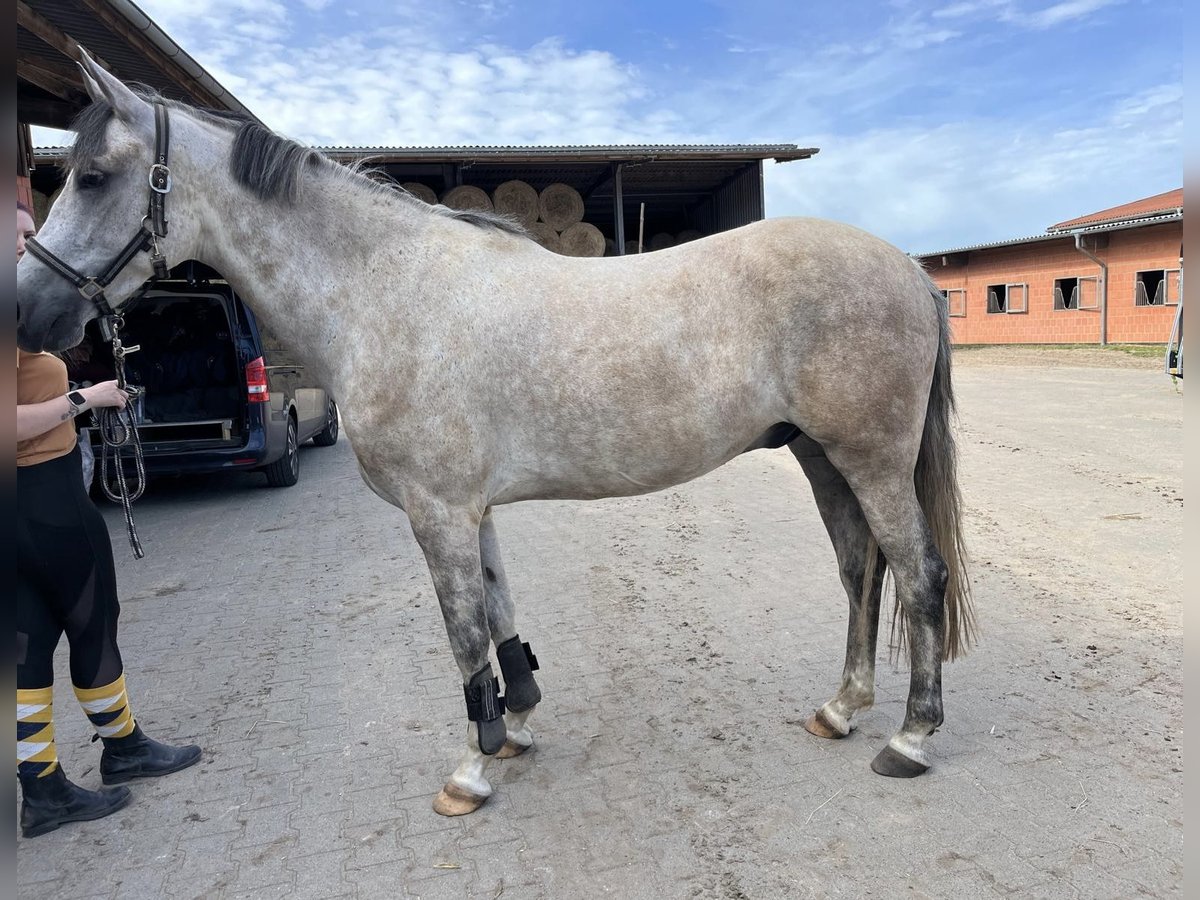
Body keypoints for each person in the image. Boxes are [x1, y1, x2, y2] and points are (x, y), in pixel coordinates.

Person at [16, 201, 202, 839]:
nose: (31, 244)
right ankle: (124, 748)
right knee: (93, 622)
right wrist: (84, 399)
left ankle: (41, 791)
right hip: (44, 497)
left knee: (26, 646)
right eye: (20, 234)